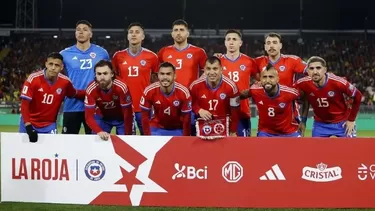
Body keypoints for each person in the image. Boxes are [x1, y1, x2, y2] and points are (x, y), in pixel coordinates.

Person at [19, 52, 85, 142]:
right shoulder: (33, 79)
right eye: (51, 64)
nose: (53, 68)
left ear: (61, 67)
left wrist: (90, 93)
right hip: (29, 122)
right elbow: (24, 105)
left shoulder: (65, 82)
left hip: (49, 125)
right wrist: (28, 125)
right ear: (46, 64)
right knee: (24, 152)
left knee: (51, 153)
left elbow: (75, 93)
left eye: (57, 65)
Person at [158, 19, 207, 135]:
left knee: (193, 136)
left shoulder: (198, 52)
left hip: (191, 100)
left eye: (181, 30)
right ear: (172, 34)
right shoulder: (163, 52)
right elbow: (157, 75)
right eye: (176, 30)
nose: (178, 33)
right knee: (170, 133)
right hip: (169, 101)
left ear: (187, 33)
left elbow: (207, 73)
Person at [60, 20, 110, 134]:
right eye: (78, 30)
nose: (81, 32)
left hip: (95, 106)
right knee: (68, 143)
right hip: (71, 105)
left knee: (95, 142)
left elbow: (108, 76)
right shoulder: (64, 54)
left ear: (91, 34)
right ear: (75, 33)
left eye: (85, 30)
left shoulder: (102, 53)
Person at [295, 56, 362, 138]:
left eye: (318, 68)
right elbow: (287, 94)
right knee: (316, 150)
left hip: (342, 122)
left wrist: (351, 120)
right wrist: (303, 121)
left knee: (351, 149)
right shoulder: (302, 83)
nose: (315, 72)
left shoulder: (338, 82)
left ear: (325, 70)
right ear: (307, 71)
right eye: (311, 68)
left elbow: (358, 96)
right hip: (320, 124)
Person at [112, 22, 159, 135]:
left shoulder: (152, 57)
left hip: (144, 106)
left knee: (148, 139)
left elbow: (156, 81)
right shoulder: (117, 56)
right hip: (124, 106)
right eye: (131, 32)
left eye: (137, 32)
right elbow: (113, 80)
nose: (133, 35)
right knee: (126, 141)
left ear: (142, 36)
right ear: (127, 36)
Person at [255, 32, 307, 123]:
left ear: (280, 45)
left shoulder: (292, 61)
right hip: (267, 109)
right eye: (268, 43)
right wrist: (221, 58)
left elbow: (311, 71)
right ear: (265, 47)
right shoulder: (258, 62)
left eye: (275, 43)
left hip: (289, 109)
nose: (271, 46)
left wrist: (298, 88)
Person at [241, 63, 301, 137]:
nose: (267, 80)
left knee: (302, 148)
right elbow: (240, 95)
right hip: (266, 132)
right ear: (260, 79)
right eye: (264, 77)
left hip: (289, 132)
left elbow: (305, 97)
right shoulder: (255, 90)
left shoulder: (289, 92)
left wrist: (302, 119)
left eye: (271, 77)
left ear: (277, 79)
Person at [219, 29, 258, 137]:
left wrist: (251, 91)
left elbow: (260, 81)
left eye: (234, 39)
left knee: (244, 150)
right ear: (225, 42)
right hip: (222, 112)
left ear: (240, 43)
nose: (231, 42)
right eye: (228, 39)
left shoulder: (249, 61)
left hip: (243, 112)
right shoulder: (218, 61)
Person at [189, 56, 240, 139]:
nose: (212, 72)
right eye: (208, 69)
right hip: (203, 125)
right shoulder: (195, 86)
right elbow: (190, 103)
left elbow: (235, 111)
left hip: (223, 125)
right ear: (204, 70)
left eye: (215, 69)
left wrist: (233, 131)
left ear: (221, 70)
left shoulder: (231, 87)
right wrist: (199, 110)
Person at [85, 60, 133, 141]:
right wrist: (99, 131)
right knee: (97, 142)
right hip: (103, 118)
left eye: (105, 73)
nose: (102, 77)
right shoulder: (91, 89)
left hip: (122, 118)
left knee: (126, 143)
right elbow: (88, 117)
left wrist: (128, 136)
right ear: (95, 75)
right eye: (99, 74)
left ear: (112, 74)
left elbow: (127, 114)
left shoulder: (121, 87)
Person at [140, 62, 191, 136]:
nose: (165, 77)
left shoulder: (183, 92)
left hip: (177, 129)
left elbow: (186, 118)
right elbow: (145, 116)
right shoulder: (149, 91)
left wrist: (185, 138)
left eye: (168, 74)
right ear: (158, 75)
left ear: (174, 76)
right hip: (156, 127)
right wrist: (147, 137)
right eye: (162, 74)